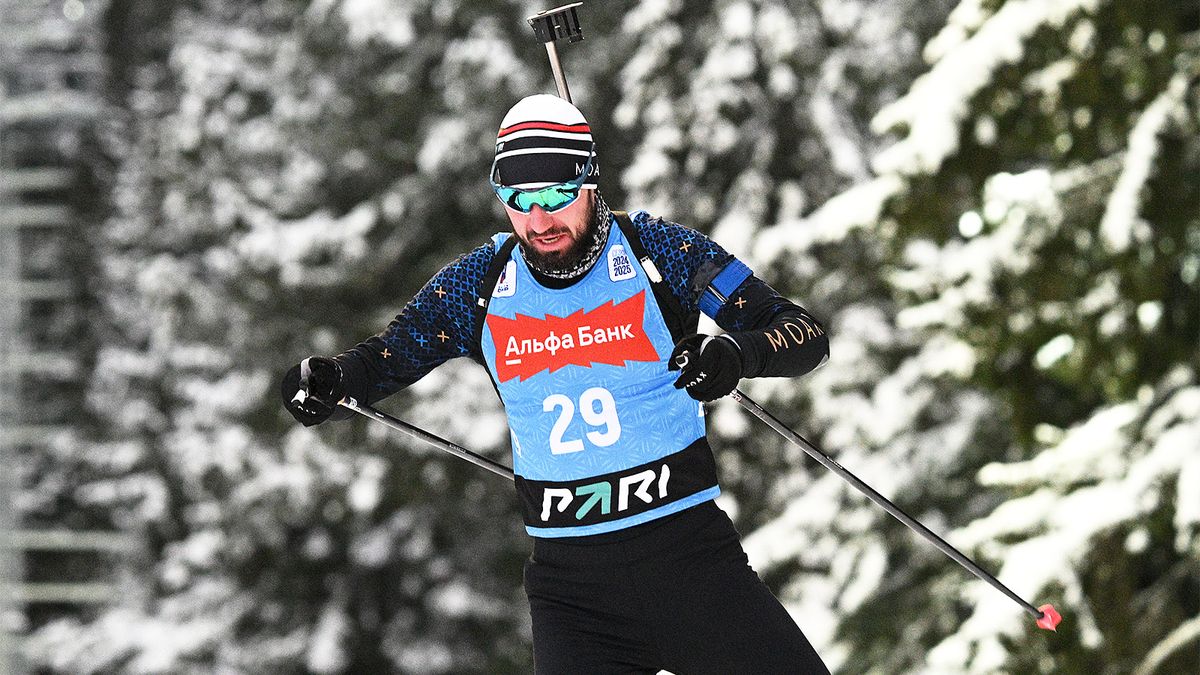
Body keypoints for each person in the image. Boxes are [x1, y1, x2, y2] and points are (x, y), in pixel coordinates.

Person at [282, 94, 831, 674]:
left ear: (589, 182)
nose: (539, 221)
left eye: (555, 197)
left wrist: (734, 354)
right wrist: (329, 382)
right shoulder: (481, 283)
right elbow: (384, 361)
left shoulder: (658, 255)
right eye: (519, 201)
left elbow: (803, 335)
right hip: (574, 595)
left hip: (690, 565)